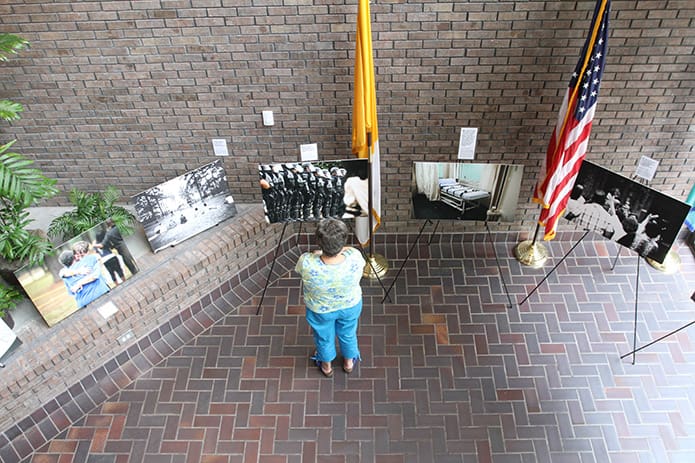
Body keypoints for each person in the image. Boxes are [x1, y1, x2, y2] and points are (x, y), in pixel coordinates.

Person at [294, 218, 366, 377]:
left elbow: (300, 268)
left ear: (319, 242)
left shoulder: (306, 261)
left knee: (323, 336)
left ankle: (326, 366)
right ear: (343, 241)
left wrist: (318, 253)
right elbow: (348, 250)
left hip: (320, 310)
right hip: (350, 305)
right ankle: (348, 362)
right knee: (348, 333)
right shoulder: (354, 256)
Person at [58, 242, 110, 309]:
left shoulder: (64, 274)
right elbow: (95, 274)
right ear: (74, 256)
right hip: (100, 294)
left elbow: (71, 292)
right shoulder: (90, 259)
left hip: (83, 303)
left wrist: (79, 283)